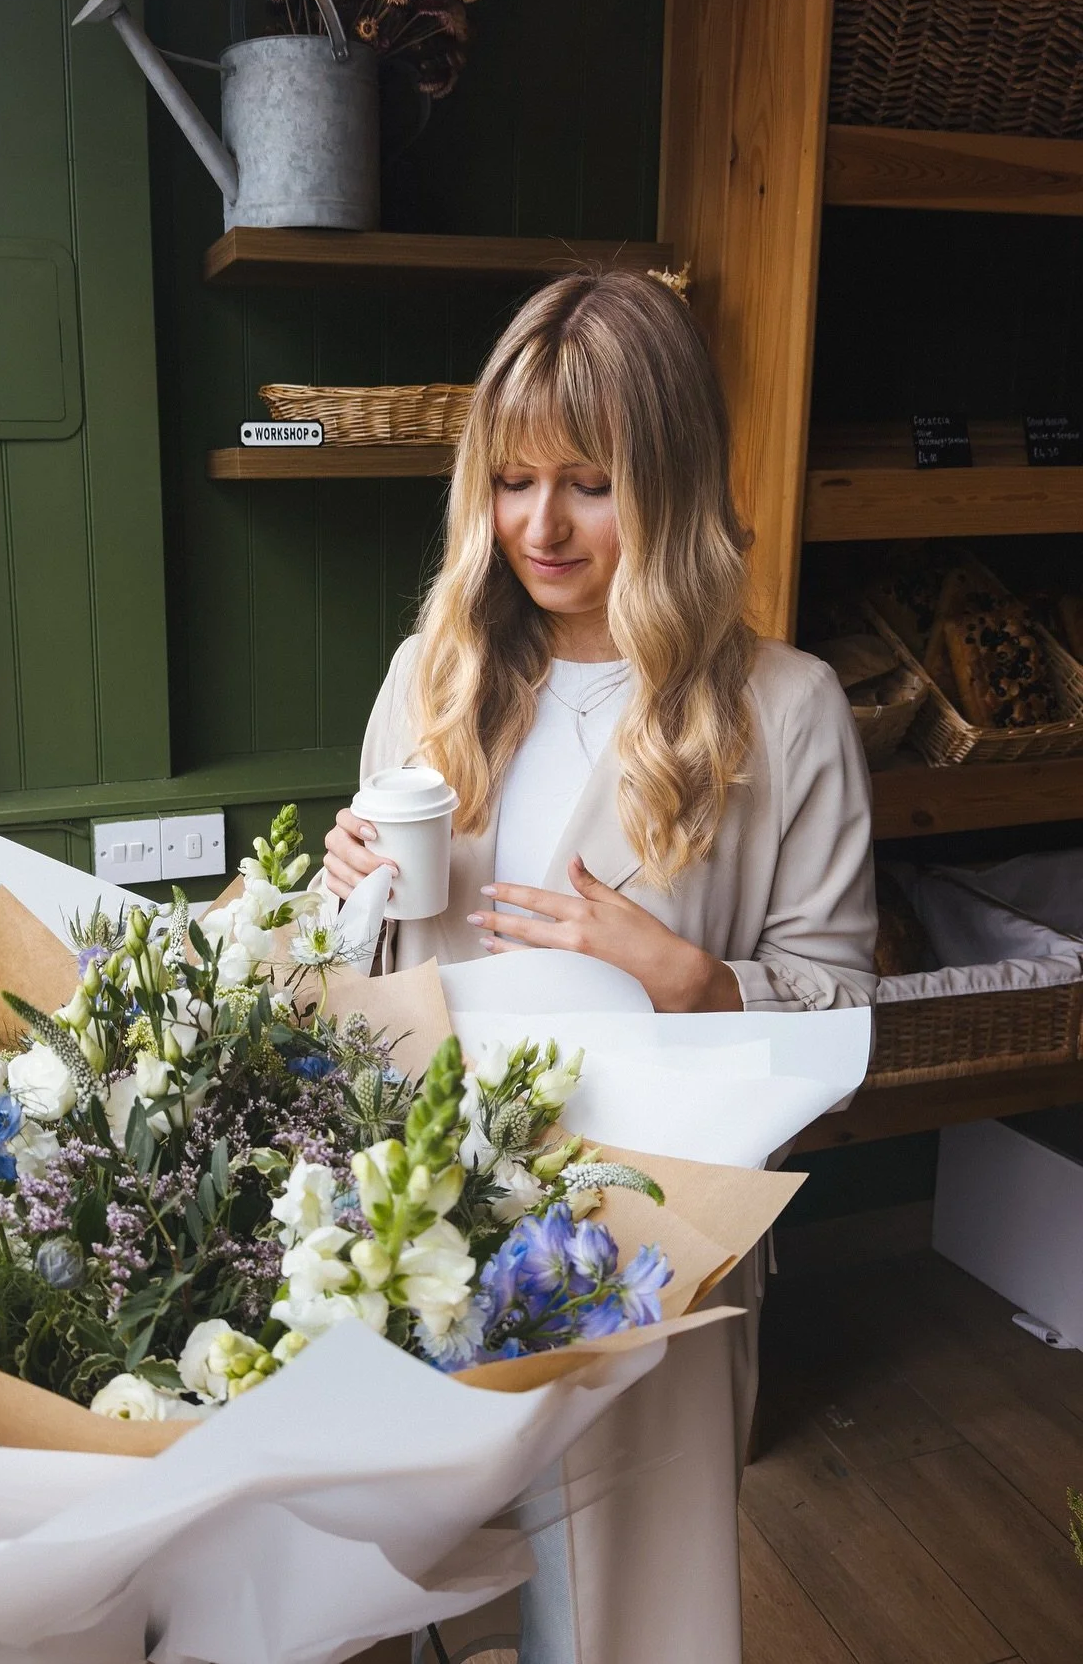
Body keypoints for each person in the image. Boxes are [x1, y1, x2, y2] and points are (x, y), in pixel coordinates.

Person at [321, 269, 878, 1664]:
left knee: (621, 1618)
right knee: (393, 1587)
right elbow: (356, 982)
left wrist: (689, 977)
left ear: (672, 484)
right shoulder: (432, 673)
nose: (541, 526)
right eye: (513, 480)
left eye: (589, 482)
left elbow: (842, 1018)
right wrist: (343, 899)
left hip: (650, 1249)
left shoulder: (788, 713)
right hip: (425, 1215)